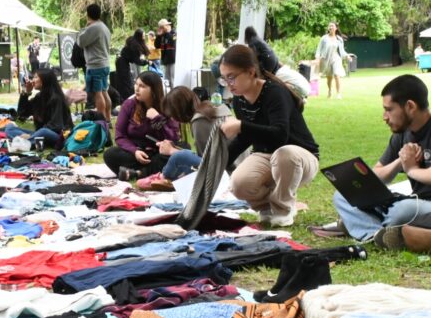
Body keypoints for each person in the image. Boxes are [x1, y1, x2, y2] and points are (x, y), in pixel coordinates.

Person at [322, 74, 431, 247]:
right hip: (421, 201)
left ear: (410, 106)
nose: (385, 116)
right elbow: (377, 175)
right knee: (343, 196)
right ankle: (376, 234)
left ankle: (360, 224)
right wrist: (400, 161)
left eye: (389, 109)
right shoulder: (404, 132)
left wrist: (412, 169)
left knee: (400, 211)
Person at [218, 45, 320, 227]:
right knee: (238, 183)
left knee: (284, 154)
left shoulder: (275, 92)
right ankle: (265, 207)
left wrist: (241, 125)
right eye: (224, 79)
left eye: (232, 77)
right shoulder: (239, 100)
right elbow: (245, 138)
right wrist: (219, 161)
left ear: (250, 72)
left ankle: (283, 209)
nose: (228, 84)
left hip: (300, 157)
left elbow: (280, 135)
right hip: (267, 155)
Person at [140, 86, 232, 188]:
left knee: (179, 156)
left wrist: (171, 151)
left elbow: (205, 161)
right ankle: (170, 180)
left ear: (179, 110)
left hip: (225, 171)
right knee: (183, 155)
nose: (172, 118)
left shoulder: (199, 121)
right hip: (230, 166)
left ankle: (163, 178)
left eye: (172, 114)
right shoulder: (209, 110)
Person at [103, 71, 179, 181]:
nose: (137, 89)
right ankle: (149, 172)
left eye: (142, 86)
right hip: (135, 153)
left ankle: (138, 173)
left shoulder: (165, 106)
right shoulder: (129, 105)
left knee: (173, 155)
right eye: (136, 84)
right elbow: (120, 135)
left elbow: (173, 138)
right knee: (110, 154)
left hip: (158, 152)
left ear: (153, 89)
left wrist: (158, 119)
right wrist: (135, 151)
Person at [2, 68, 73, 148]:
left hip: (58, 136)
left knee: (43, 132)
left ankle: (24, 143)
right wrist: (26, 92)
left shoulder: (56, 98)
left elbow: (56, 126)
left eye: (36, 77)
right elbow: (22, 114)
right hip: (39, 135)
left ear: (45, 80)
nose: (33, 80)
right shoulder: (39, 97)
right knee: (9, 128)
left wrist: (33, 135)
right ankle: (32, 142)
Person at [77, 4, 112, 128]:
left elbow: (80, 42)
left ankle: (101, 121)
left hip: (95, 65)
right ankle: (108, 118)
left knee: (98, 93)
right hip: (105, 64)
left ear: (88, 14)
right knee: (104, 92)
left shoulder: (94, 27)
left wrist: (83, 29)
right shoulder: (104, 27)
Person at [315, 22, 351, 99]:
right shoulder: (324, 38)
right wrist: (317, 58)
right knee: (329, 78)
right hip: (325, 59)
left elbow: (342, 51)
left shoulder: (339, 39)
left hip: (335, 58)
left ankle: (338, 93)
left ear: (336, 28)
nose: (331, 27)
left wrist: (347, 56)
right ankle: (330, 90)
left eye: (332, 26)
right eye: (329, 26)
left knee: (337, 75)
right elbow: (318, 49)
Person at [113, 30, 149, 101]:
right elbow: (137, 61)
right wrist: (146, 62)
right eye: (143, 36)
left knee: (124, 81)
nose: (144, 37)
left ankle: (124, 97)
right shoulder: (135, 45)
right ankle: (126, 98)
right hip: (122, 62)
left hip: (122, 61)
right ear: (139, 36)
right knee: (125, 81)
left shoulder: (133, 41)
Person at [155, 18, 176, 88]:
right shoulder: (162, 35)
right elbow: (156, 46)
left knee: (172, 79)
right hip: (165, 60)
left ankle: (174, 96)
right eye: (160, 27)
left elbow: (172, 42)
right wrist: (158, 36)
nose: (160, 29)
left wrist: (167, 32)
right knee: (166, 80)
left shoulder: (173, 33)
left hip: (173, 60)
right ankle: (168, 95)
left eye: (162, 27)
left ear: (166, 26)